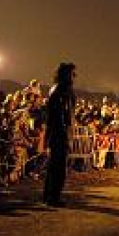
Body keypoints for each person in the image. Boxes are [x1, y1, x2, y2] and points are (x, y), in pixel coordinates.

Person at [43, 62, 76, 207]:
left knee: (53, 166)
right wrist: (67, 134)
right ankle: (53, 197)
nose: (75, 77)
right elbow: (62, 115)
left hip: (56, 132)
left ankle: (48, 195)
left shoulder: (55, 89)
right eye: (73, 74)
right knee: (58, 167)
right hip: (59, 133)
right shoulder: (63, 91)